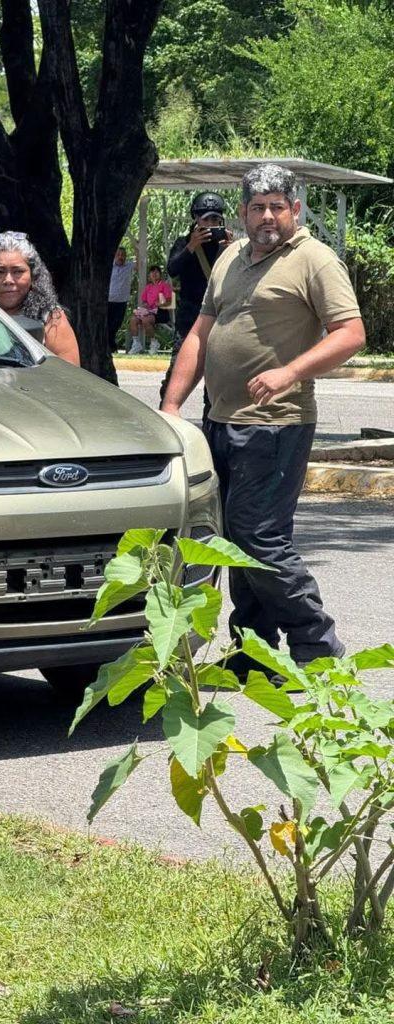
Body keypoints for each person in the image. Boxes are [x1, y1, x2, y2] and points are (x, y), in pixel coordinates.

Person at [161, 163, 365, 676]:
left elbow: (350, 333)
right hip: (220, 419)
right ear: (243, 212)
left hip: (277, 423)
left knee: (259, 537)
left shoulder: (315, 259)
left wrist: (289, 372)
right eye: (258, 207)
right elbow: (200, 335)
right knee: (234, 540)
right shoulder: (230, 256)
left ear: (294, 208)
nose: (267, 216)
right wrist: (171, 405)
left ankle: (316, 644)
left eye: (277, 206)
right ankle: (254, 653)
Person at [159, 192, 231, 407]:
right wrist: (191, 246)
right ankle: (166, 413)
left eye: (215, 219)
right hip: (188, 320)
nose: (210, 224)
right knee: (176, 375)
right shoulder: (184, 243)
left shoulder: (225, 246)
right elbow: (172, 269)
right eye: (206, 219)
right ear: (196, 219)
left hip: (218, 320)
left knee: (216, 382)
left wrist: (228, 250)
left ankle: (212, 424)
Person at [0, 232, 80, 365]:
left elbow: (69, 371)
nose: (8, 280)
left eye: (18, 271)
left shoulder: (50, 317)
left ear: (33, 277)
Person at [127, 265, 173, 355]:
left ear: (160, 274)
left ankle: (154, 343)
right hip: (149, 311)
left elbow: (169, 302)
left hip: (161, 312)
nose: (154, 274)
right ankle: (136, 344)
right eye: (152, 272)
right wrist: (146, 306)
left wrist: (160, 304)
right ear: (149, 275)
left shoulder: (165, 286)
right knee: (133, 320)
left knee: (145, 320)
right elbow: (144, 301)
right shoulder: (148, 287)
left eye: (156, 271)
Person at [107, 242, 137, 352]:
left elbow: (139, 265)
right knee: (108, 324)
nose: (121, 257)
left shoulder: (128, 266)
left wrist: (137, 249)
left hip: (121, 301)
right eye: (118, 254)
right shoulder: (109, 266)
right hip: (109, 301)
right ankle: (111, 346)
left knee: (116, 324)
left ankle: (110, 344)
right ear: (115, 256)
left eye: (123, 255)